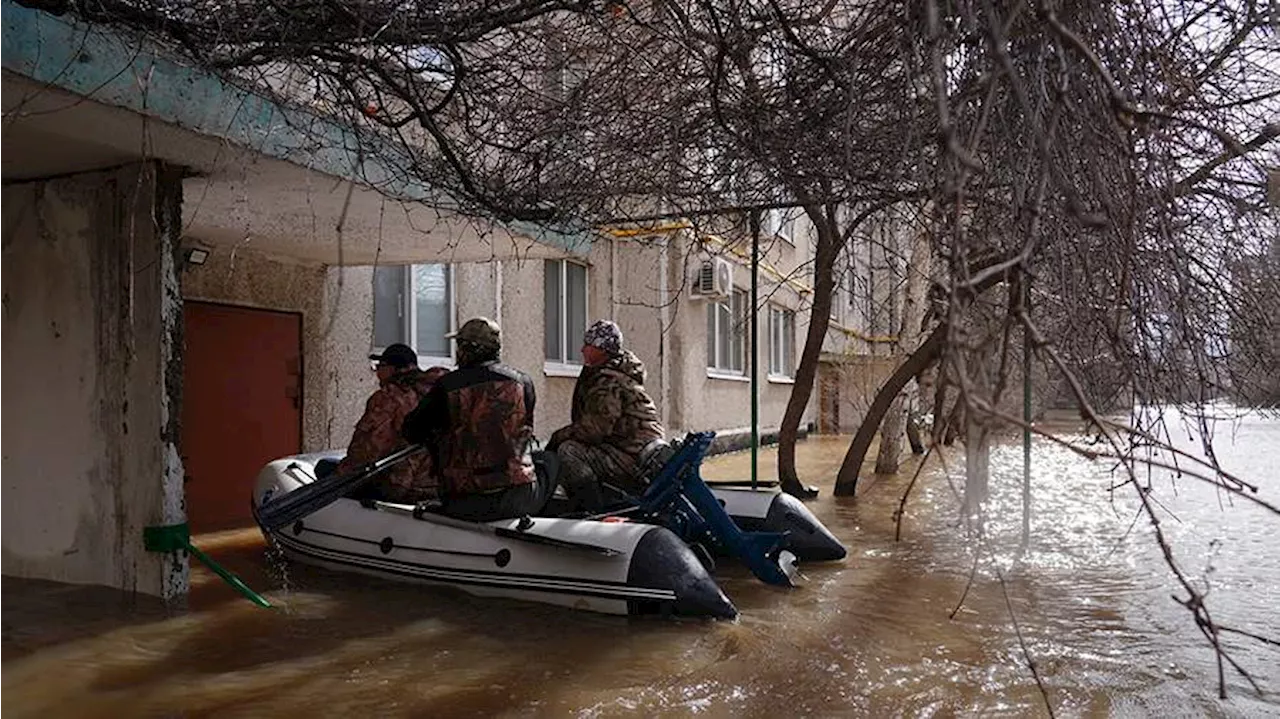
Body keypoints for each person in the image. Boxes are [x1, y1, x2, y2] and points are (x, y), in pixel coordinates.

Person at [402, 317, 550, 522]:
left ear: (466, 349)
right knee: (549, 460)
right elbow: (525, 430)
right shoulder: (523, 383)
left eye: (459, 345)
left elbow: (411, 430)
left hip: (464, 501)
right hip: (517, 498)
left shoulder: (447, 386)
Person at [546, 319, 665, 512]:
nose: (582, 350)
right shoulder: (612, 371)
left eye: (588, 345)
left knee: (569, 451)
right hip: (632, 450)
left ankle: (592, 510)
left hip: (631, 456)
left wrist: (555, 439)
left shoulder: (608, 382)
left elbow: (594, 430)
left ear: (602, 349)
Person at [336, 343, 448, 503]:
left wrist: (341, 474)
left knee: (324, 468)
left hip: (404, 486)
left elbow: (367, 450)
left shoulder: (390, 397)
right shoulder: (437, 391)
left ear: (393, 369)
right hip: (439, 485)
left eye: (380, 366)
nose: (377, 373)